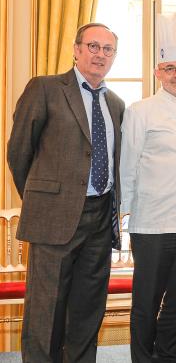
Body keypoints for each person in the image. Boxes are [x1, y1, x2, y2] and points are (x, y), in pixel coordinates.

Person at [7, 23, 125, 362]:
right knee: (46, 311)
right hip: (54, 219)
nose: (100, 54)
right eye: (93, 46)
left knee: (88, 310)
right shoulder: (45, 88)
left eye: (107, 49)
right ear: (76, 49)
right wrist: (44, 200)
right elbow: (19, 152)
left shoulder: (116, 104)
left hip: (101, 219)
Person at [120, 13, 176, 362]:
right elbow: (128, 165)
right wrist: (123, 216)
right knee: (146, 300)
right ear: (158, 72)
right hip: (153, 223)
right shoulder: (140, 111)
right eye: (169, 67)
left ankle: (166, 355)